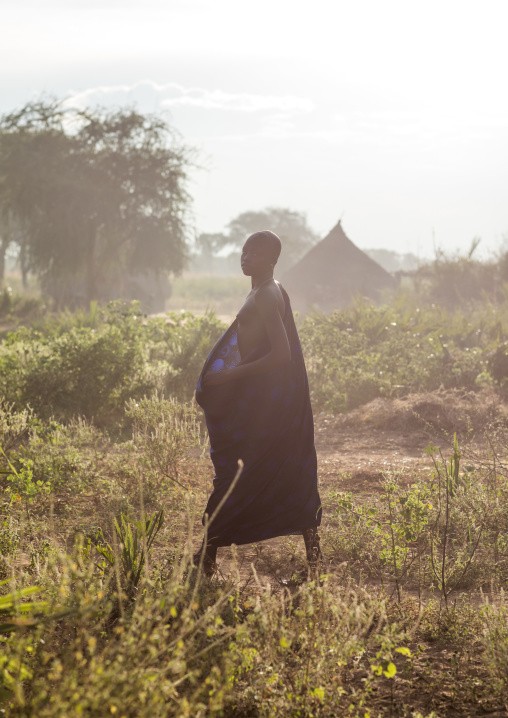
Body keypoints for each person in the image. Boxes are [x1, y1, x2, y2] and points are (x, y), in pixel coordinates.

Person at [194, 230, 322, 576]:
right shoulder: (262, 290)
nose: (245, 257)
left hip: (266, 404)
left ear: (271, 260)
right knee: (274, 469)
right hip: (261, 400)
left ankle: (206, 555)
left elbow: (281, 356)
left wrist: (229, 377)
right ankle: (208, 555)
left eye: (254, 253)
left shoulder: (267, 294)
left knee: (238, 473)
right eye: (244, 251)